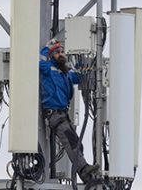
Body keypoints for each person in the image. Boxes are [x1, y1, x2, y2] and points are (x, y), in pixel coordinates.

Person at [39, 39, 99, 183]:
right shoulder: (48, 68)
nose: (61, 54)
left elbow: (79, 76)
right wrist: (47, 47)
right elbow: (38, 63)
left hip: (63, 115)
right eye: (57, 52)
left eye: (62, 52)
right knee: (72, 143)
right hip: (54, 114)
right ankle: (84, 170)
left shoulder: (65, 73)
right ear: (52, 56)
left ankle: (86, 176)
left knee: (77, 144)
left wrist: (80, 58)